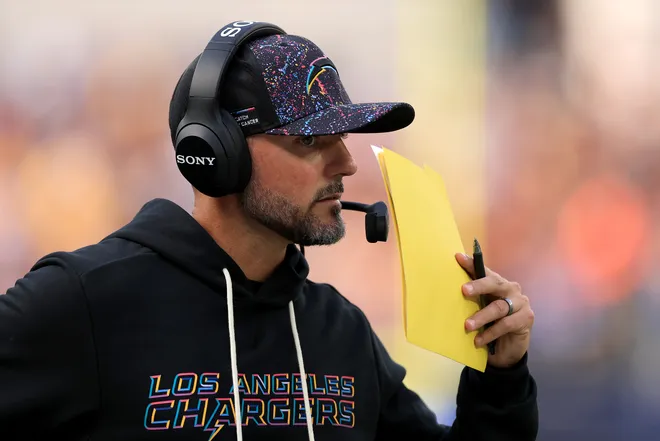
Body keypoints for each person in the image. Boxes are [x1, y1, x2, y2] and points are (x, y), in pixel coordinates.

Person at [0, 22, 538, 441]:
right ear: (216, 153)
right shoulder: (85, 301)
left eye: (342, 137)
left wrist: (502, 374)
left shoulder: (341, 332)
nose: (347, 164)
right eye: (310, 140)